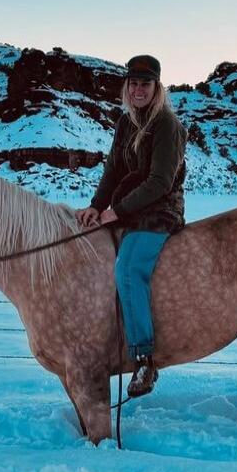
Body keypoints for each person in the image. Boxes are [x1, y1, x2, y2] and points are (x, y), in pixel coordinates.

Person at [75, 54, 187, 397]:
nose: (139, 90)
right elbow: (112, 170)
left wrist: (116, 211)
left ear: (157, 87)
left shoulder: (166, 125)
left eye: (146, 84)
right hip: (130, 209)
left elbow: (160, 182)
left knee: (127, 268)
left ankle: (143, 359)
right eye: (134, 83)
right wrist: (96, 206)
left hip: (159, 211)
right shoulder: (126, 124)